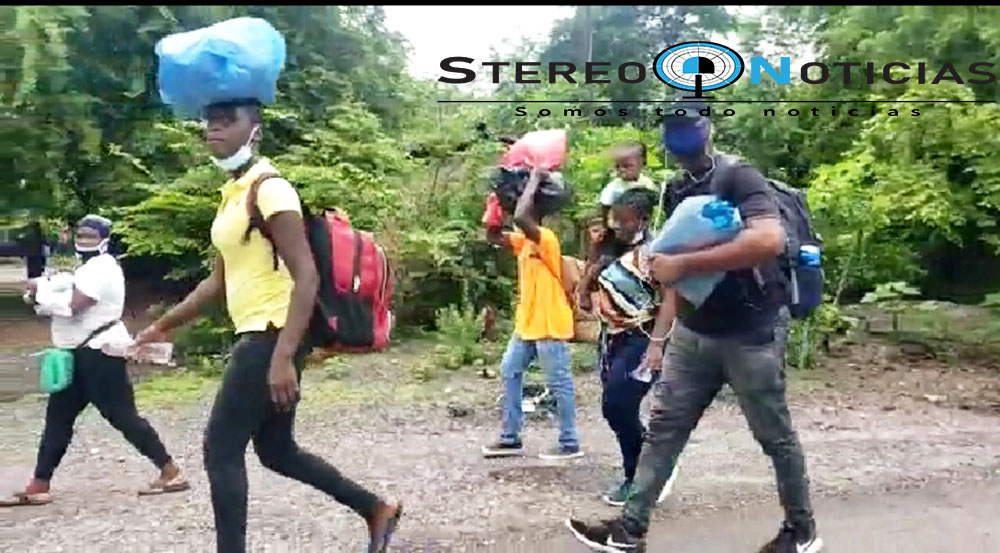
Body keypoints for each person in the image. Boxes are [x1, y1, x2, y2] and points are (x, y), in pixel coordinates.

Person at [133, 99, 402, 553]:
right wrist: (163, 325)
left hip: (272, 333)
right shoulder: (233, 193)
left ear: (253, 129)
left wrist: (283, 358)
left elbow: (307, 275)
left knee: (221, 450)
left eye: (226, 122)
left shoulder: (271, 189)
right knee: (277, 451)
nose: (214, 130)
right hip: (261, 333)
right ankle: (376, 508)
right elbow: (218, 281)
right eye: (209, 122)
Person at [566, 105, 823, 553]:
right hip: (694, 331)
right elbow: (675, 278)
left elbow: (768, 239)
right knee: (665, 425)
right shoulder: (677, 188)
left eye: (689, 129)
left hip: (751, 332)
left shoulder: (738, 175)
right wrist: (660, 340)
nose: (681, 140)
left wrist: (683, 263)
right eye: (673, 132)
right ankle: (630, 530)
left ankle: (801, 531)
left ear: (708, 130)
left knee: (773, 434)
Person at [1, 215, 188, 507]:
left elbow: (76, 306)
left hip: (99, 352)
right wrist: (42, 292)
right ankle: (39, 484)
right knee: (57, 419)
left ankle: (171, 471)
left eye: (91, 235)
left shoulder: (102, 268)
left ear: (103, 238)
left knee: (121, 415)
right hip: (76, 353)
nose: (84, 240)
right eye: (81, 235)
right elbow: (60, 296)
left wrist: (42, 295)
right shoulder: (85, 268)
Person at [481, 167, 583, 461]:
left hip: (550, 323)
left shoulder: (545, 238)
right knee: (510, 371)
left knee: (558, 383)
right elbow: (493, 236)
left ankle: (569, 442)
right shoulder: (524, 241)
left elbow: (522, 218)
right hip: (526, 324)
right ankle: (510, 437)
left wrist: (536, 178)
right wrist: (494, 206)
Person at [588, 188, 680, 507]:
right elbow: (587, 289)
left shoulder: (655, 250)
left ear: (642, 219)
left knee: (617, 404)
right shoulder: (613, 248)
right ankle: (650, 468)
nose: (617, 225)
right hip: (613, 338)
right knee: (617, 406)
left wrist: (657, 345)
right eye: (615, 218)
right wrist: (595, 253)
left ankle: (642, 475)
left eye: (624, 220)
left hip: (643, 337)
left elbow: (671, 298)